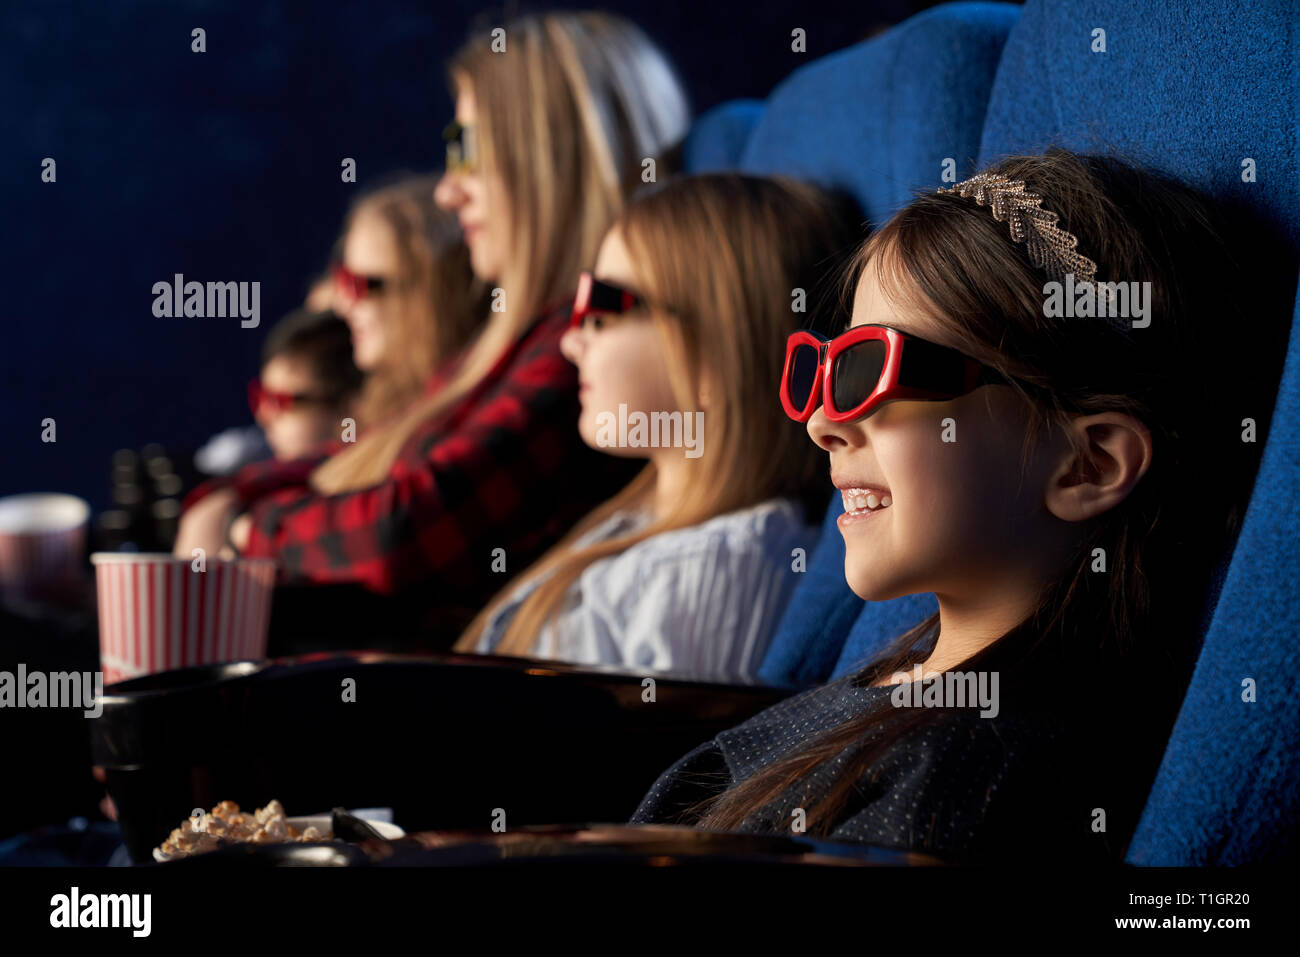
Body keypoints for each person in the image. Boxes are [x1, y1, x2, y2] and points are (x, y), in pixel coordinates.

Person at [629, 149, 1291, 862]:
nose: (821, 420)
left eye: (870, 368)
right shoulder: (907, 679)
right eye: (822, 368)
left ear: (1088, 462)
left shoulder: (967, 783)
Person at [174, 11, 691, 645]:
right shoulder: (508, 342)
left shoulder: (580, 354)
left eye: (468, 152)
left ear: (550, 163)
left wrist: (245, 528)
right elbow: (358, 458)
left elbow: (408, 529)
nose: (449, 192)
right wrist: (229, 492)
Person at [454, 174, 860, 682]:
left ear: (714, 353)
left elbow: (663, 760)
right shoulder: (638, 520)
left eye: (601, 307)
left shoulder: (710, 570)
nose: (570, 343)